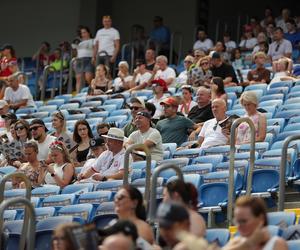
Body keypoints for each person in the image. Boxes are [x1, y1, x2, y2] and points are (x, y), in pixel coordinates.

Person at [224, 196, 288, 250]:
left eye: (243, 221)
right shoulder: (236, 242)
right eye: (237, 221)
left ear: (261, 219)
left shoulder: (277, 244)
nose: (238, 226)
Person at [73, 26, 94, 93]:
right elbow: (76, 52)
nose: (83, 34)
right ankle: (78, 94)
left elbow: (95, 50)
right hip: (79, 60)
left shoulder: (93, 40)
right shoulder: (78, 41)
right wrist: (75, 60)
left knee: (88, 78)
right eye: (82, 33)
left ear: (88, 32)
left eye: (85, 32)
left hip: (88, 59)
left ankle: (92, 91)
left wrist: (94, 57)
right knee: (78, 78)